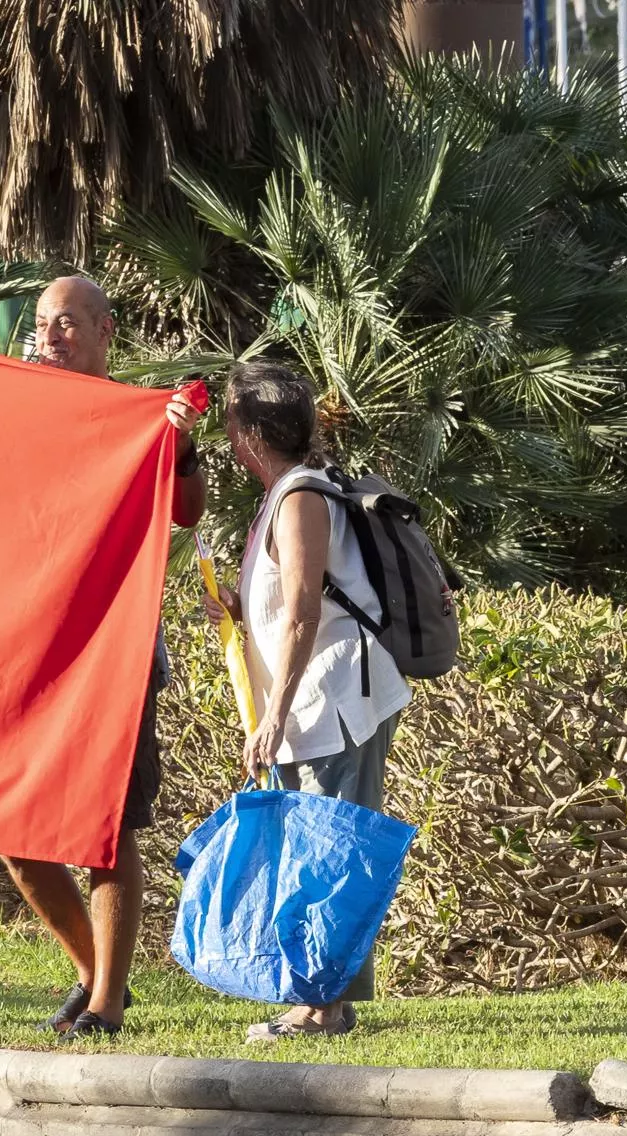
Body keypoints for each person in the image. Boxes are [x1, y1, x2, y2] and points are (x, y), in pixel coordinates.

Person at [4, 275, 206, 1040]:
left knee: (108, 830)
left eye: (68, 324)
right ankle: (95, 976)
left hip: (114, 657)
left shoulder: (142, 418)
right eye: (44, 324)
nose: (53, 335)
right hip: (29, 654)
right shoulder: (17, 407)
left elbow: (187, 510)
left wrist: (179, 445)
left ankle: (109, 1007)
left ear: (103, 331)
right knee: (12, 837)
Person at [201, 362, 411, 1041]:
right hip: (316, 706)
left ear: (253, 433)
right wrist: (237, 608)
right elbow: (283, 604)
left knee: (330, 853)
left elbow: (302, 614)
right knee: (316, 851)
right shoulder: (287, 494)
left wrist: (274, 715)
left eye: (232, 424)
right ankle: (325, 1002)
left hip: (334, 703)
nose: (228, 438)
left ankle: (322, 1009)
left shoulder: (301, 498)